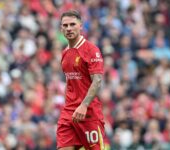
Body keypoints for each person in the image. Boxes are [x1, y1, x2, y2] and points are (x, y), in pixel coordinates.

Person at [56, 10, 105, 150]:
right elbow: (70, 82)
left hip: (89, 113)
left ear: (81, 26)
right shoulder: (65, 53)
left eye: (72, 24)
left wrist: (83, 105)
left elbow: (97, 81)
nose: (69, 28)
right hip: (69, 113)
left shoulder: (91, 50)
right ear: (61, 28)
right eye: (65, 25)